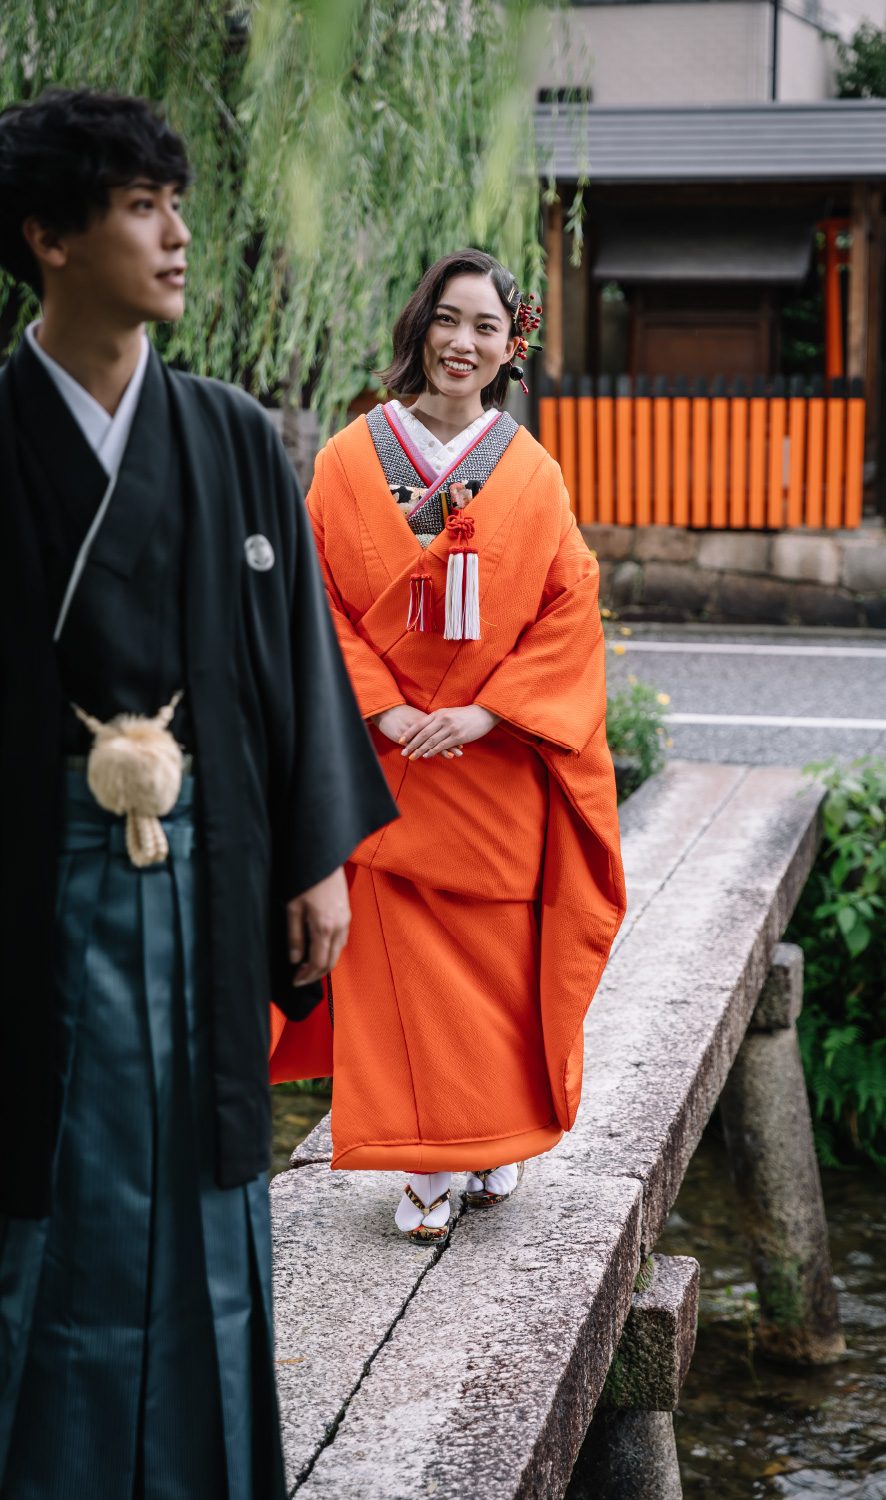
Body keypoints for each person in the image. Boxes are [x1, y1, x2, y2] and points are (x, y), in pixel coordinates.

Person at [0, 89, 396, 1500]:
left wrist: (318, 858)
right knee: (55, 1190)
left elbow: (291, 668)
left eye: (178, 203)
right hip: (38, 890)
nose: (177, 234)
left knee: (210, 1202)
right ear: (48, 236)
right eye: (140, 206)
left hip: (214, 875)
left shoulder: (228, 436)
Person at [272, 248, 626, 1242]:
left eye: (487, 328)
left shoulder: (531, 471)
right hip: (383, 762)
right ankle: (426, 1166)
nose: (464, 343)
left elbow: (570, 607)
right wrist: (380, 706)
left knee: (493, 971)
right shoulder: (348, 460)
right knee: (397, 971)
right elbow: (315, 602)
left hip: (492, 761)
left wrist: (489, 712)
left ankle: (491, 1138)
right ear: (419, 325)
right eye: (450, 320)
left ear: (511, 348)